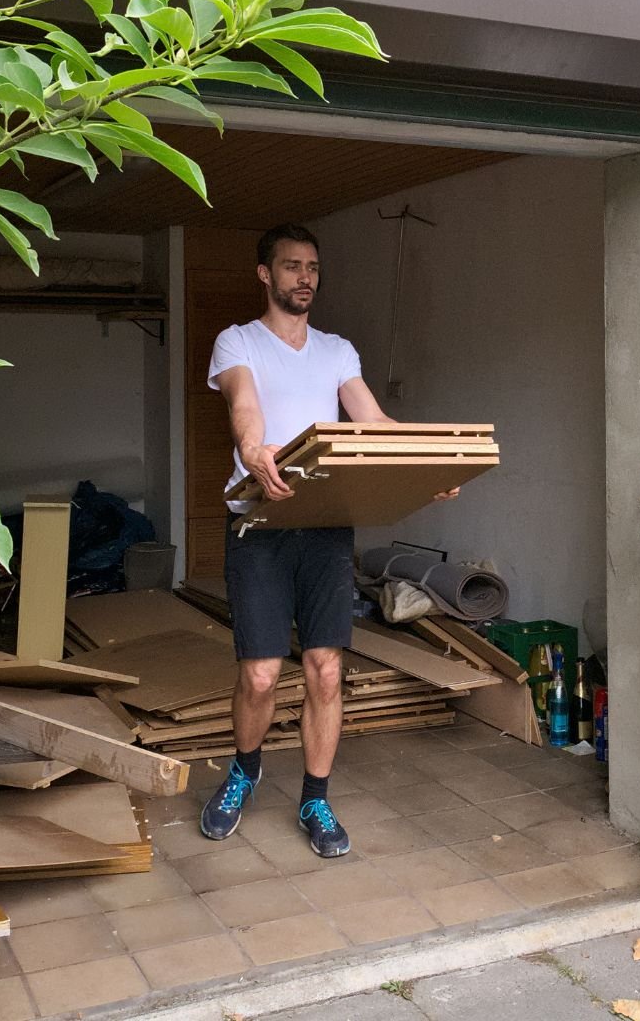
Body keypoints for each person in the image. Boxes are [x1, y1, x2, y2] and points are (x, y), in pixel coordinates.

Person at [199, 223, 456, 858]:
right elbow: (244, 407)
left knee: (326, 668)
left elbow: (374, 423)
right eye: (290, 267)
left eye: (312, 267)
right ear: (266, 274)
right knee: (260, 675)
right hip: (259, 521)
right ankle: (245, 769)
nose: (304, 277)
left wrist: (433, 466)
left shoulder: (338, 351)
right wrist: (253, 450)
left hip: (323, 528)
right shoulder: (237, 341)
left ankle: (315, 795)